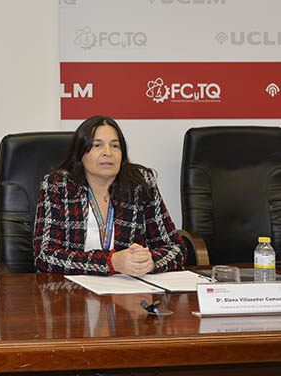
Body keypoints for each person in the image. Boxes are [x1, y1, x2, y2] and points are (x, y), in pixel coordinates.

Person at [33, 115, 186, 276]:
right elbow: (44, 256)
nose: (108, 153)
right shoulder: (58, 186)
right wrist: (111, 262)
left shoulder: (140, 184)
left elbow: (176, 248)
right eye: (97, 145)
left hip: (129, 292)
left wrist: (150, 261)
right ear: (80, 153)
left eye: (115, 146)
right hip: (72, 293)